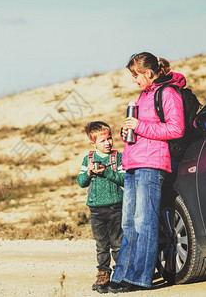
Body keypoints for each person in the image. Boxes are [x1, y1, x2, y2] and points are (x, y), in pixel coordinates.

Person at [108, 52, 185, 293]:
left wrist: (139, 126)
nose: (134, 80)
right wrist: (126, 131)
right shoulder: (142, 97)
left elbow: (176, 128)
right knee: (129, 223)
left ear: (149, 72)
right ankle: (121, 275)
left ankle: (139, 278)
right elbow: (141, 131)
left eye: (136, 75)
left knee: (144, 222)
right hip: (133, 162)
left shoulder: (168, 93)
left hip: (152, 165)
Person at [77, 121, 125, 293]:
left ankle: (121, 275)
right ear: (93, 143)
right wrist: (89, 173)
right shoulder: (88, 159)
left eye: (109, 138)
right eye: (103, 140)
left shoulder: (117, 157)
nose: (107, 143)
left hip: (115, 207)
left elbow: (124, 179)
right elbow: (81, 182)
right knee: (101, 244)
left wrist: (107, 172)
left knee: (117, 243)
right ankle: (103, 273)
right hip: (96, 209)